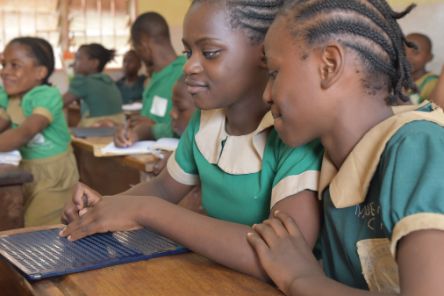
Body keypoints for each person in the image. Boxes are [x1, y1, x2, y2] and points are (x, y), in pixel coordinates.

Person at [61, 0, 323, 280]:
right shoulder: (205, 121)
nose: (189, 67)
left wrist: (143, 210)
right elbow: (163, 188)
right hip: (214, 278)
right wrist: (102, 208)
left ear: (264, 53)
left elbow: (281, 256)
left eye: (209, 53)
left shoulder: (295, 133)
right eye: (188, 52)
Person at [246, 1, 444, 295]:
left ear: (329, 66)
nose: (266, 95)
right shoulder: (330, 162)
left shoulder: (415, 146)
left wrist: (302, 280)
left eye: (274, 73)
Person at [0, 37, 79, 226]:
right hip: (25, 170)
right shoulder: (7, 96)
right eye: (3, 64)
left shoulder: (46, 95)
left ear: (40, 72)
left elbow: (26, 132)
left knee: (41, 228)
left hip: (55, 174)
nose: (5, 71)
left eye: (15, 65)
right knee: (21, 221)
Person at [113, 12, 186, 144]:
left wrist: (152, 129)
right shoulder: (152, 80)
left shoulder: (185, 74)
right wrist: (128, 130)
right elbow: (147, 121)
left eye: (136, 47)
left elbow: (192, 126)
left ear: (144, 43)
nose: (138, 54)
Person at [63, 43, 124, 127]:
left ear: (94, 63)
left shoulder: (84, 82)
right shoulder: (107, 80)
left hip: (96, 129)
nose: (73, 64)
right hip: (117, 127)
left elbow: (59, 103)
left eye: (78, 58)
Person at [150, 75, 196, 175]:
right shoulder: (173, 130)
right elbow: (148, 131)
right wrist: (134, 134)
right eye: (173, 105)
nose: (172, 113)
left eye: (180, 108)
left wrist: (180, 159)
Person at [406, 33, 438, 104]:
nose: (407, 57)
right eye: (403, 51)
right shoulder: (395, 81)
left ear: (429, 57)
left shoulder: (433, 83)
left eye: (415, 52)